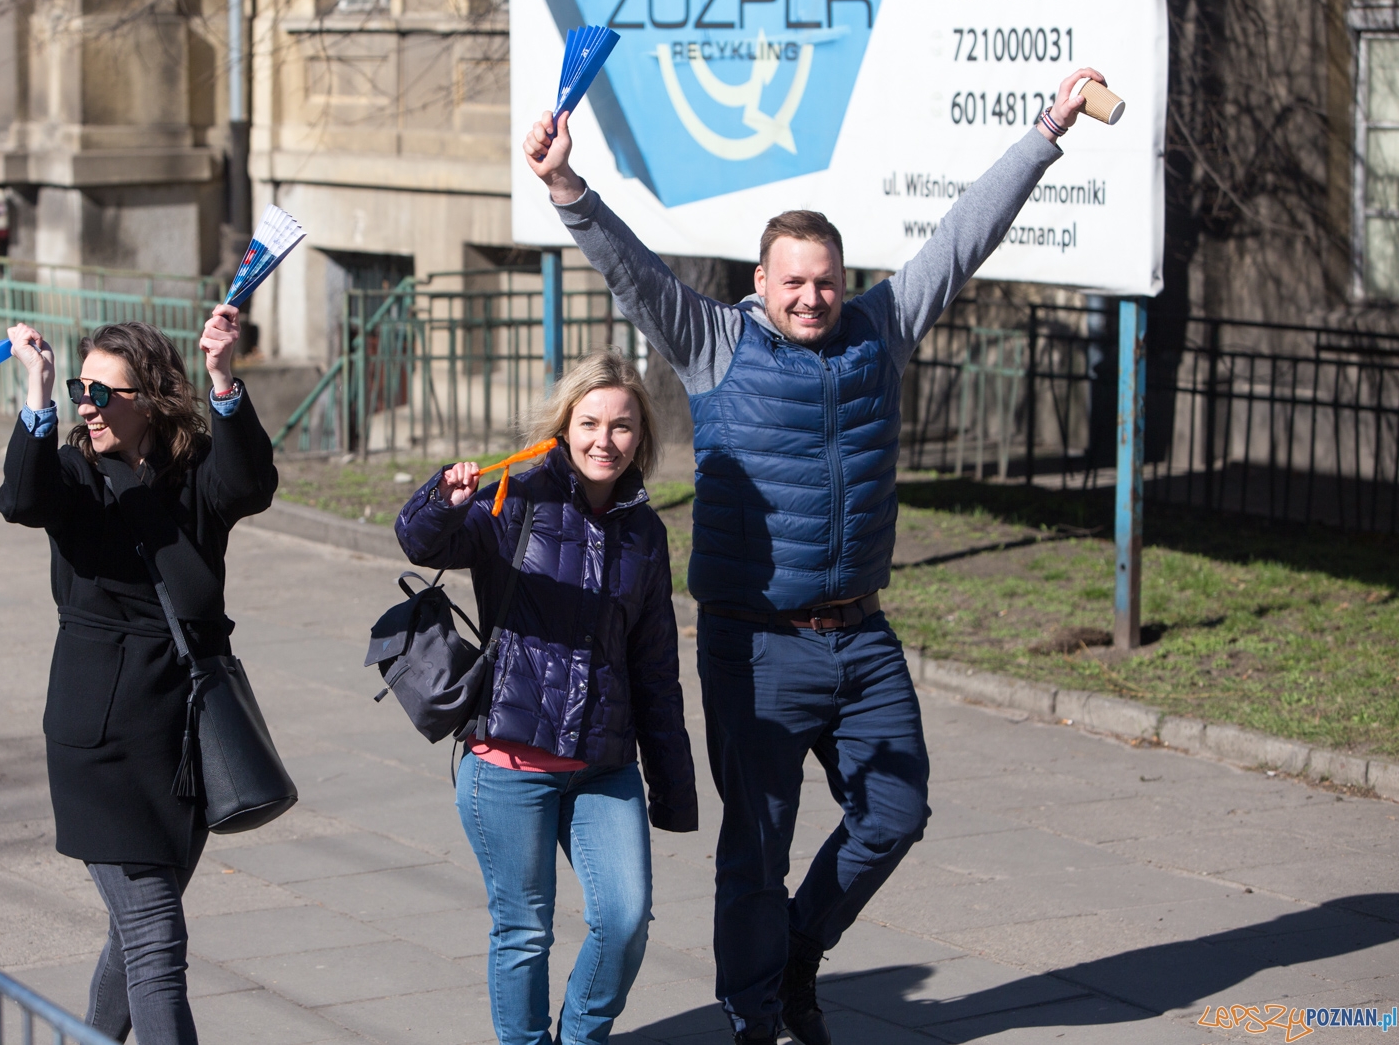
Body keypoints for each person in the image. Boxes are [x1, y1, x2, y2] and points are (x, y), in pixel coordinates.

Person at [522, 67, 1109, 1044]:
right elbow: (636, 273)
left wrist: (1048, 129)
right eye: (792, 281)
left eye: (825, 279)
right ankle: (761, 1014)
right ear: (760, 283)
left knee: (896, 808)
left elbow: (966, 232)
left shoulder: (880, 329)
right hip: (754, 647)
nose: (811, 295)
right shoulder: (715, 343)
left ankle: (793, 954)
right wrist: (569, 190)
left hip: (862, 635)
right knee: (754, 845)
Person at [393, 348, 697, 1045]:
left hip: (604, 763)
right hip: (508, 762)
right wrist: (441, 498)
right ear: (564, 427)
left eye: (622, 426)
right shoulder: (515, 499)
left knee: (624, 917)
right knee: (524, 928)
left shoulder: (644, 532)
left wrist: (673, 789)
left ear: (640, 437)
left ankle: (581, 1038)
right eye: (590, 422)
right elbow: (417, 539)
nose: (605, 440)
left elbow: (655, 667)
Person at [0, 306, 277, 1045]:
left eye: (103, 393)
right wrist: (40, 391)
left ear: (149, 399)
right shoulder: (71, 474)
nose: (87, 406)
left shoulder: (193, 475)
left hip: (184, 738)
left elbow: (250, 482)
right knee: (156, 935)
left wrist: (223, 379)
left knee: (137, 936)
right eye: (82, 390)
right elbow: (20, 500)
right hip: (102, 741)